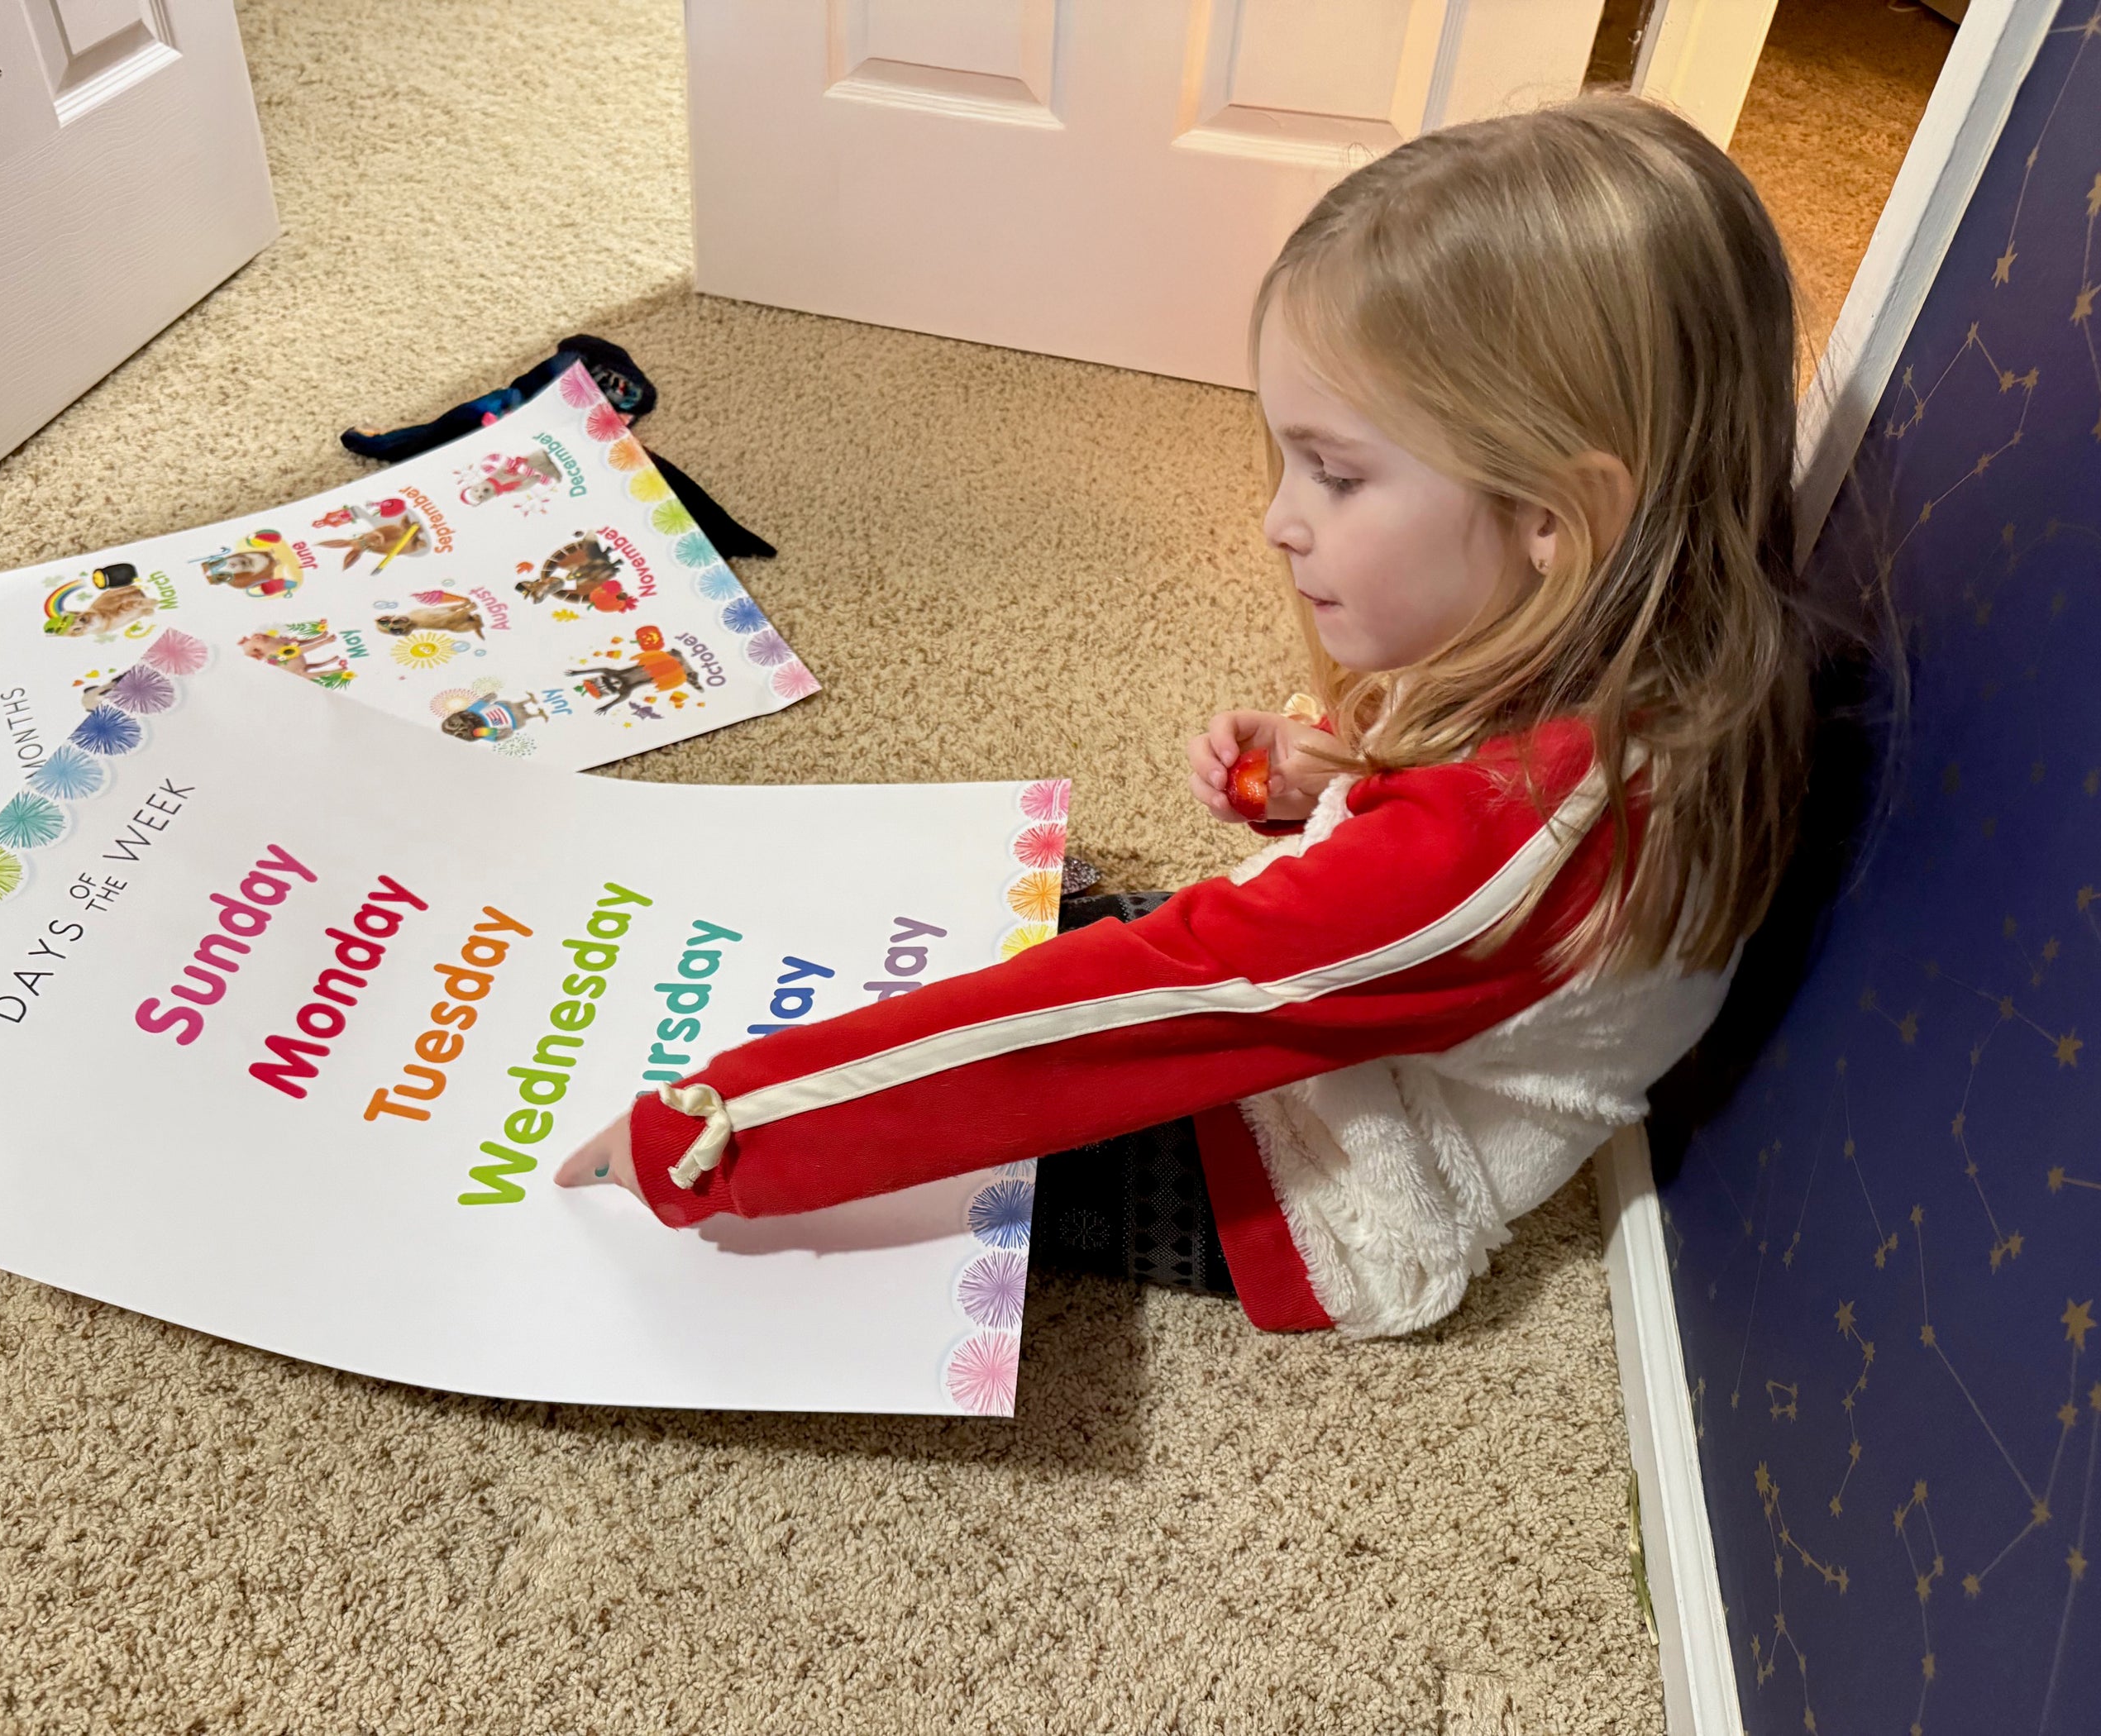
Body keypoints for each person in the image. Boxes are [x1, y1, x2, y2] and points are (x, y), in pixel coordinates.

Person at [553, 93, 1824, 1338]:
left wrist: (720, 1130)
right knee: (986, 923)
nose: (1277, 520)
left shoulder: (1501, 848)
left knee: (1002, 1014)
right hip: (1356, 1026)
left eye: (1336, 474)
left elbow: (1111, 1021)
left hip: (1324, 1184)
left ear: (1562, 513)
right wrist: (1340, 777)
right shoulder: (1657, 659)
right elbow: (1442, 854)